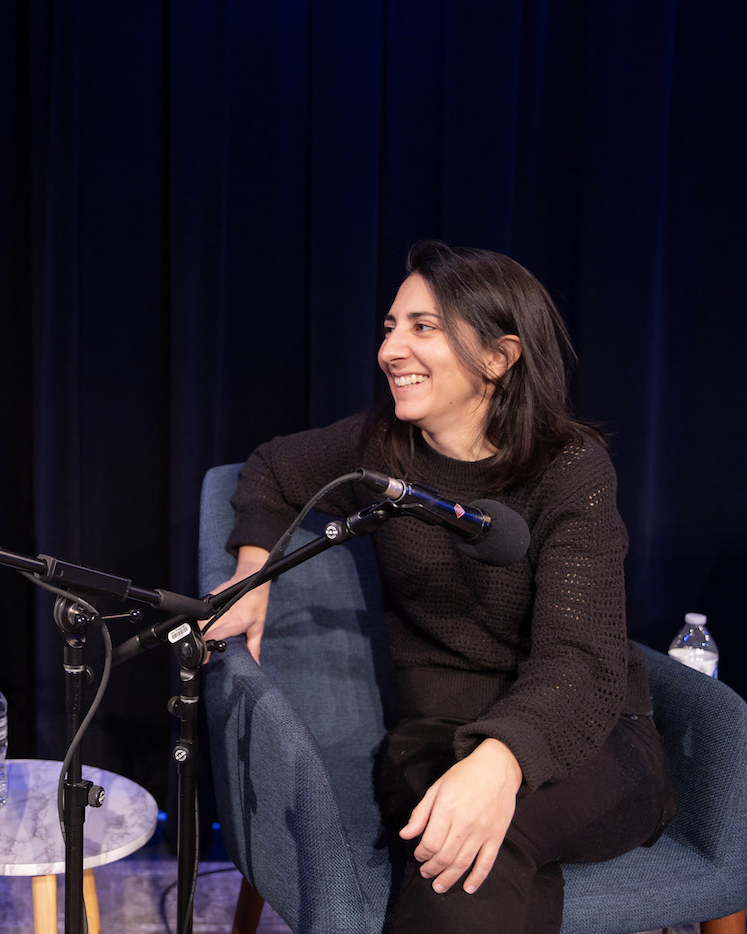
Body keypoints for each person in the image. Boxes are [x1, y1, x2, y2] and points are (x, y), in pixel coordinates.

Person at [206, 241, 675, 933]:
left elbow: (582, 660)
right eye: (391, 327)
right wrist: (252, 572)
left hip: (595, 741)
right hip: (437, 734)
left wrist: (502, 761)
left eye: (423, 327)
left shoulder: (572, 471)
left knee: (483, 840)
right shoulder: (382, 451)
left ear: (499, 356)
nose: (391, 349)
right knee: (456, 847)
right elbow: (273, 469)